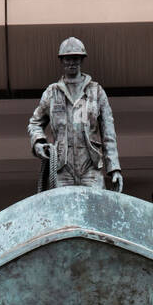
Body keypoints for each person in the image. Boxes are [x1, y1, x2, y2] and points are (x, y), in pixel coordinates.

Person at [27, 37, 123, 191]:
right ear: (62, 61)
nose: (71, 63)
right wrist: (38, 142)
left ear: (81, 60)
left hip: (91, 166)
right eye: (67, 59)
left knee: (94, 209)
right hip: (62, 168)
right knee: (62, 211)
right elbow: (35, 123)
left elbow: (108, 133)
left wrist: (114, 168)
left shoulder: (96, 91)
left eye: (75, 58)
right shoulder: (52, 92)